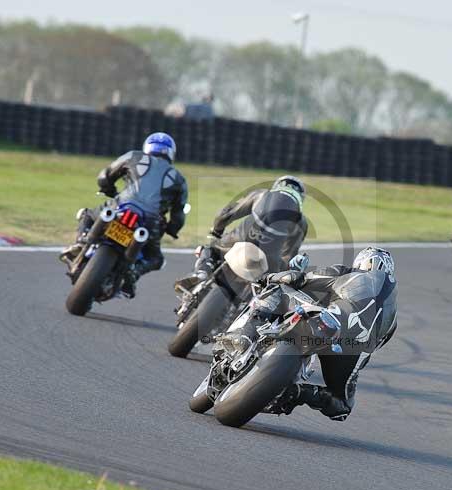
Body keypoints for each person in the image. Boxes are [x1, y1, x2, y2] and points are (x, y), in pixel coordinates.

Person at [228, 247, 398, 422]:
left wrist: (270, 277)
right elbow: (372, 349)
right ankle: (296, 393)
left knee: (280, 285)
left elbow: (301, 279)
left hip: (329, 320)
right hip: (351, 350)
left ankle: (246, 334)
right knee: (342, 406)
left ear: (360, 263)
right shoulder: (392, 317)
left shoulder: (348, 273)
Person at [60, 132, 188, 296]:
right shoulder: (179, 179)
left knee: (86, 214)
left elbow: (104, 177)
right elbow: (178, 215)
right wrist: (173, 229)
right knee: (156, 259)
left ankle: (81, 241)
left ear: (147, 147)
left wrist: (108, 189)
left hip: (120, 206)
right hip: (149, 221)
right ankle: (133, 273)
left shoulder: (133, 156)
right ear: (171, 153)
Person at [175, 175, 308, 292]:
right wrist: (280, 273)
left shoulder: (261, 194)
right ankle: (255, 310)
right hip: (270, 259)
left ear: (277, 186)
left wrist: (216, 232)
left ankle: (202, 272)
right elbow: (289, 257)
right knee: (270, 287)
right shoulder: (301, 222)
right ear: (300, 199)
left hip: (240, 239)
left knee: (211, 250)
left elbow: (226, 214)